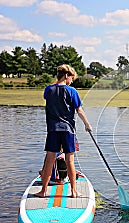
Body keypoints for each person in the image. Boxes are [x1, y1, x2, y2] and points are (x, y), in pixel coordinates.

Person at [35, 64, 92, 198]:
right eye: (71, 78)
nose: (72, 81)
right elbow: (79, 110)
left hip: (53, 130)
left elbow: (52, 89)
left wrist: (60, 81)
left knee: (50, 159)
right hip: (68, 130)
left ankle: (43, 191)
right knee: (70, 161)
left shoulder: (48, 90)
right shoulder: (72, 91)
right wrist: (87, 124)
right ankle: (73, 191)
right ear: (66, 76)